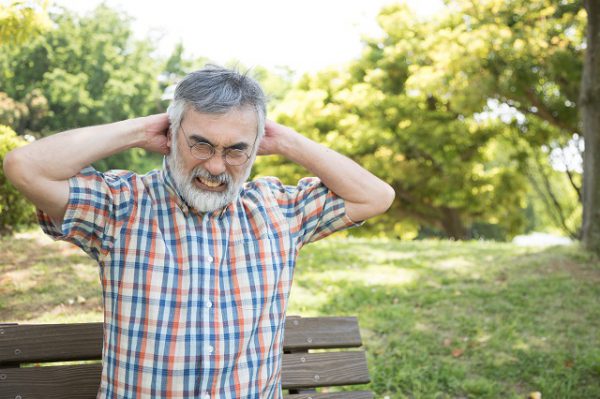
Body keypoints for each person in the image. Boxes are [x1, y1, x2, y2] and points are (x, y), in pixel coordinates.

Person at [3, 65, 395, 398]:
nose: (216, 167)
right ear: (171, 135)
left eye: (236, 150)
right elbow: (24, 167)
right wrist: (140, 131)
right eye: (201, 145)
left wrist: (286, 140)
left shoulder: (279, 209)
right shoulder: (122, 205)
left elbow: (375, 196)